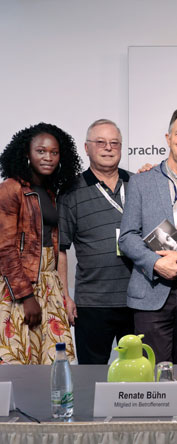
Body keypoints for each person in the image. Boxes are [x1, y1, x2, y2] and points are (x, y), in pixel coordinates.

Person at [119, 107, 177, 364]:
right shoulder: (141, 182)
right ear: (168, 138)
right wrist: (156, 263)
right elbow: (127, 237)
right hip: (150, 290)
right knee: (153, 376)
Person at [0, 123, 81, 364]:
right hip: (19, 287)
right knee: (20, 360)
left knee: (55, 362)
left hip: (49, 284)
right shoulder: (10, 189)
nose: (48, 157)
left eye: (54, 152)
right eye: (41, 151)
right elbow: (4, 249)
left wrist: (63, 296)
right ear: (27, 153)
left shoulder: (50, 191)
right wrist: (26, 297)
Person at [57, 119, 134, 364]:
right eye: (100, 142)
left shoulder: (139, 184)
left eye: (114, 143)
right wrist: (65, 297)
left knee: (139, 375)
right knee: (91, 377)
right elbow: (61, 249)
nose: (108, 148)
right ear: (86, 148)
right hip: (92, 303)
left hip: (138, 299)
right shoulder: (70, 191)